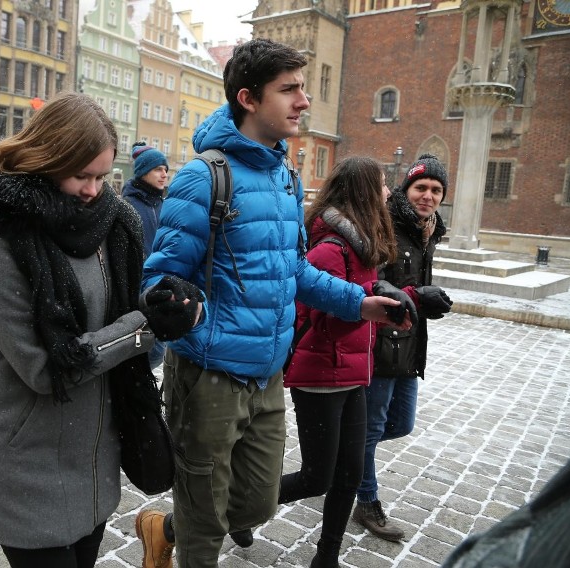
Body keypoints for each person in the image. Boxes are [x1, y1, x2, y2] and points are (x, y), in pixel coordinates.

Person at [134, 38, 415, 568]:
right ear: (248, 98)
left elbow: (294, 270)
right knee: (203, 518)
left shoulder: (284, 177)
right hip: (209, 375)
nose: (303, 101)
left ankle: (161, 526)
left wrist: (361, 303)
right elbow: (161, 281)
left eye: (303, 88)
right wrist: (193, 318)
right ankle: (178, 537)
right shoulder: (203, 178)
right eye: (289, 90)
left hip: (266, 375)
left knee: (257, 502)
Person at [0, 92, 197, 568]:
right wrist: (144, 328)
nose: (93, 189)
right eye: (81, 175)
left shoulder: (112, 221)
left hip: (94, 446)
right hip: (24, 452)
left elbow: (116, 308)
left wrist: (162, 302)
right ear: (44, 161)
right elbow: (45, 369)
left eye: (103, 176)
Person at [277, 157, 397, 568]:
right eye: (382, 185)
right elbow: (319, 322)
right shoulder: (332, 248)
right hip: (320, 377)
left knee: (349, 474)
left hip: (353, 375)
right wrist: (371, 306)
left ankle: (325, 557)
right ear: (365, 192)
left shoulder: (365, 248)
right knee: (316, 477)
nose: (388, 193)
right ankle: (236, 509)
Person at [353, 153, 453, 541]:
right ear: (406, 189)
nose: (428, 196)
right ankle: (366, 500)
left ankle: (345, 462)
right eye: (421, 188)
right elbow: (374, 282)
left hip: (409, 343)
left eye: (436, 190)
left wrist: (426, 301)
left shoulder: (429, 230)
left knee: (400, 424)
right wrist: (414, 296)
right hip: (381, 343)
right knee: (373, 427)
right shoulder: (386, 225)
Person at [122, 141, 169, 369]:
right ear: (142, 172)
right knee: (141, 352)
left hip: (159, 288)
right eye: (158, 169)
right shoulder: (127, 205)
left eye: (165, 170)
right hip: (135, 290)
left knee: (157, 350)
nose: (164, 175)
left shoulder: (164, 205)